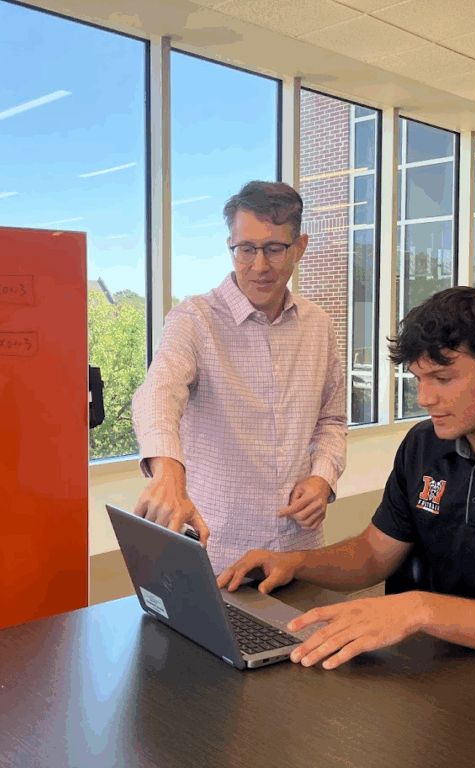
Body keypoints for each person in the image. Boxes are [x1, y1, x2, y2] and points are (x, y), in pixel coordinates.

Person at [218, 286, 475, 677]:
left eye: (442, 379)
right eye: (417, 379)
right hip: (431, 675)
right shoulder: (424, 445)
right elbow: (374, 553)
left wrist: (420, 610)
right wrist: (295, 563)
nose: (424, 398)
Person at [131, 181, 349, 575]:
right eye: (246, 249)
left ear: (299, 247)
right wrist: (168, 472)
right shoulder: (194, 320)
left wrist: (322, 478)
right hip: (216, 552)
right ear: (230, 246)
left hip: (296, 550)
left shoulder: (319, 326)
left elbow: (331, 420)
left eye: (274, 249)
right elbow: (157, 394)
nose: (259, 266)